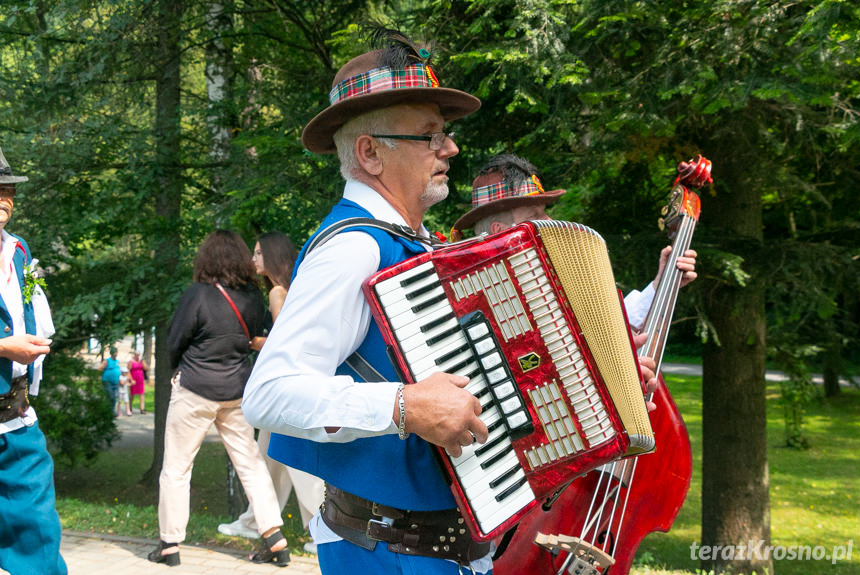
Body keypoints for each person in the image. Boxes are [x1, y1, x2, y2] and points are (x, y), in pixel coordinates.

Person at [243, 28, 660, 575]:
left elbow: (492, 375)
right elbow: (269, 394)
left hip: (446, 550)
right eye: (430, 136)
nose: (451, 149)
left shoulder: (416, 246)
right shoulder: (353, 247)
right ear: (370, 153)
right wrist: (404, 407)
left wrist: (604, 386)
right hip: (386, 555)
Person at [150, 229, 290, 568]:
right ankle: (275, 538)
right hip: (236, 392)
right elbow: (251, 338)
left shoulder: (197, 294)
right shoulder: (253, 296)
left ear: (206, 258)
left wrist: (178, 368)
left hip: (195, 390)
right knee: (252, 466)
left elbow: (174, 340)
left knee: (177, 469)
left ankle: (170, 545)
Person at [452, 154, 698, 333]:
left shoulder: (553, 276)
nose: (549, 220)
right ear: (501, 232)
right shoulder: (473, 301)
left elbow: (610, 328)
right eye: (535, 216)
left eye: (545, 212)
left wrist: (660, 283)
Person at [219, 232, 325, 556]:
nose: (253, 261)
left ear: (274, 257)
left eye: (259, 254)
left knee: (295, 462)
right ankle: (257, 519)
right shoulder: (297, 288)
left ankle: (318, 530)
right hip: (298, 383)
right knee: (268, 456)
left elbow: (283, 343)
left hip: (284, 385)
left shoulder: (278, 293)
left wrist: (255, 342)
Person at [0, 146, 67, 574]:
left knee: (39, 535)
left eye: (7, 189)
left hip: (15, 415)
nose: (2, 198)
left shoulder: (17, 250)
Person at [99, 346, 121, 414]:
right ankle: (108, 411)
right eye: (115, 352)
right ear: (112, 353)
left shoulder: (117, 361)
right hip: (107, 381)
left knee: (114, 397)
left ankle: (112, 411)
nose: (116, 353)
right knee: (110, 396)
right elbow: (100, 369)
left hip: (116, 382)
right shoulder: (107, 361)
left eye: (116, 352)